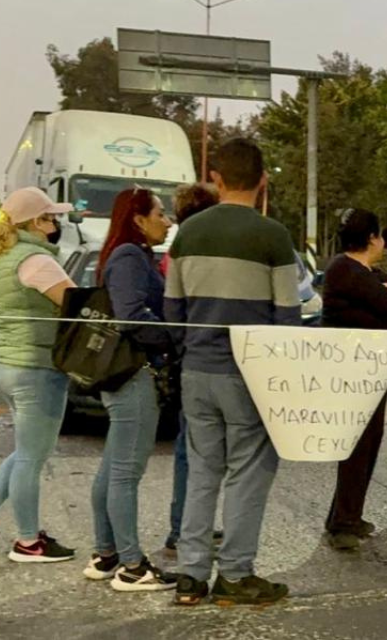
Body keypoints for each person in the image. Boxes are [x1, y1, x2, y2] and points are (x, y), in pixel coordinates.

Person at [164, 137, 299, 607]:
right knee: (248, 470)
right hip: (250, 374)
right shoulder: (273, 236)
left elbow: (172, 309)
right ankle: (237, 574)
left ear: (216, 180)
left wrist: (190, 353)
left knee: (202, 470)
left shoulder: (187, 235)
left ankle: (190, 574)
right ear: (262, 181)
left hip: (197, 372)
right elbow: (287, 315)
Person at [0, 187, 78, 562]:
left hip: (7, 363)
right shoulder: (38, 260)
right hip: (36, 366)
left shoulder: (2, 259)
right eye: (50, 217)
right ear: (35, 222)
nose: (55, 223)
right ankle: (28, 541)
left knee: (26, 450)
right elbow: (76, 304)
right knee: (32, 457)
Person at [83, 188, 176, 590]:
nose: (168, 221)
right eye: (160, 213)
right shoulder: (129, 257)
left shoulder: (129, 256)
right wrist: (175, 336)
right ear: (138, 219)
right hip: (132, 374)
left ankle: (107, 554)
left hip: (125, 375)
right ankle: (133, 567)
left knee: (112, 468)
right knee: (125, 472)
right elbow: (131, 317)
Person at [321, 208, 387, 551]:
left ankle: (347, 514)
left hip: (372, 370)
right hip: (350, 371)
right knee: (356, 445)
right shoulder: (343, 269)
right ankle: (343, 523)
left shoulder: (367, 272)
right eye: (380, 236)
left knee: (370, 441)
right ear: (372, 238)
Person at [162, 183, 219, 560]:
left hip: (188, 358)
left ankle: (185, 526)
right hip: (198, 360)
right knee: (194, 450)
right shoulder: (190, 250)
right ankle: (183, 530)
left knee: (192, 448)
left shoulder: (177, 248)